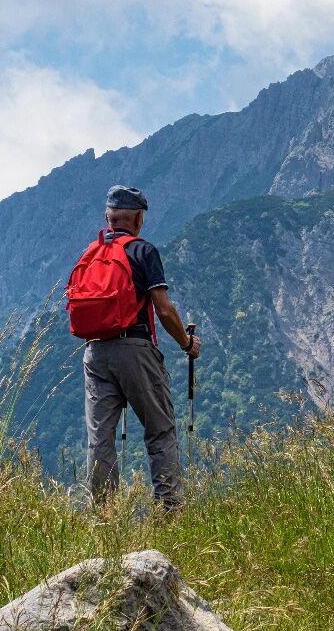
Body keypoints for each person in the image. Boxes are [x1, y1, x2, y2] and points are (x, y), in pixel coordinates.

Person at [81, 184, 200, 510]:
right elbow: (163, 309)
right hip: (134, 348)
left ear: (108, 217)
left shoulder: (91, 254)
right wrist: (187, 344)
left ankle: (101, 517)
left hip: (93, 353)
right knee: (160, 432)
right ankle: (170, 511)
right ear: (137, 219)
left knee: (100, 440)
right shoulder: (142, 251)